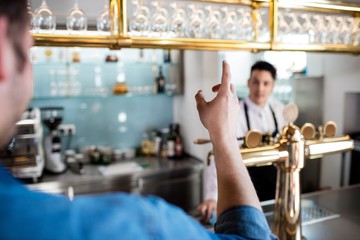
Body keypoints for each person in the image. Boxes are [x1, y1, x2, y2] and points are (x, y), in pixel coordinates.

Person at [0, 1, 279, 239]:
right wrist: (224, 135)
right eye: (30, 49)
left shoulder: (277, 111)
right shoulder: (143, 223)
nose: (260, 88)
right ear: (3, 56)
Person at [198, 61, 287, 222]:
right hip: (245, 188)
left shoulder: (280, 111)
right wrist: (211, 196)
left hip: (275, 189)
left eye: (266, 83)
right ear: (248, 83)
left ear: (272, 86)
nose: (260, 88)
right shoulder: (234, 111)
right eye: (256, 82)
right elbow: (220, 151)